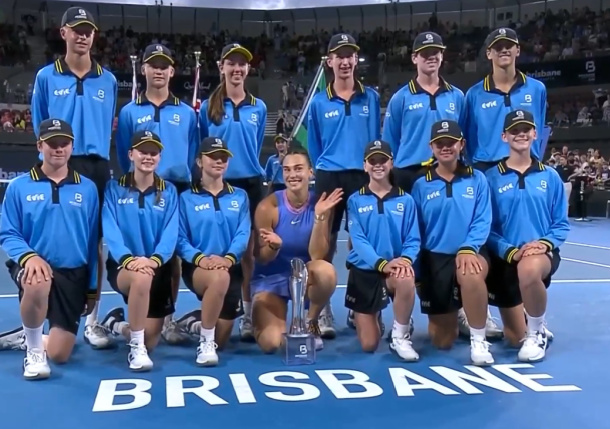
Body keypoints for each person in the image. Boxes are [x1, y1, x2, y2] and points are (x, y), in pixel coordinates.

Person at [30, 6, 117, 350]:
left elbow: (107, 123)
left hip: (95, 166)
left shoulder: (108, 80)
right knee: (53, 238)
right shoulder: (45, 77)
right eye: (76, 29)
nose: (82, 35)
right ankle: (42, 317)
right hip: (58, 162)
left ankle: (92, 322)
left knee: (94, 242)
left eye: (88, 30)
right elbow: (40, 124)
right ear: (63, 32)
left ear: (94, 36)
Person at [0, 119, 99, 380]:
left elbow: (92, 244)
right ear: (39, 146)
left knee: (60, 354)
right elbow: (8, 232)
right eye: (52, 144)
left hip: (73, 273)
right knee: (37, 279)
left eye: (63, 143)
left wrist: (91, 290)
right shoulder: (18, 187)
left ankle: (27, 334)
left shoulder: (88, 189)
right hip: (34, 265)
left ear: (72, 146)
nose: (58, 149)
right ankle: (33, 351)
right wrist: (28, 256)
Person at [115, 44, 197, 345]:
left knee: (172, 257)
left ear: (172, 71)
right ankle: (138, 314)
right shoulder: (129, 112)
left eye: (165, 66)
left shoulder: (187, 113)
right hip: (141, 188)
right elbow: (125, 155)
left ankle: (169, 318)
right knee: (141, 252)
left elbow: (193, 152)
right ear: (144, 70)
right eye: (153, 65)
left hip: (177, 188)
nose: (159, 70)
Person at [307, 33, 381, 338]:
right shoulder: (319, 102)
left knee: (361, 240)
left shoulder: (371, 98)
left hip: (362, 176)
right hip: (330, 176)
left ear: (355, 60)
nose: (346, 61)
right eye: (339, 56)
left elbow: (376, 138)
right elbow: (314, 146)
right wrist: (328, 168)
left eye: (350, 55)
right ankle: (321, 308)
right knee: (325, 238)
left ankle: (358, 304)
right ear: (330, 62)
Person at [485, 110, 569, 362]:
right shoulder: (490, 178)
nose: (520, 134)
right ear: (504, 136)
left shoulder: (550, 177)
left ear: (534, 134)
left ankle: (537, 332)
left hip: (539, 255)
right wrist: (509, 250)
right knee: (513, 338)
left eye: (525, 130)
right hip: (506, 257)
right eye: (514, 131)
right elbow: (486, 227)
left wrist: (543, 244)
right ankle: (529, 324)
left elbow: (561, 225)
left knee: (529, 269)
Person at [199, 43, 267, 342]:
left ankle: (249, 315)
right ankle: (215, 308)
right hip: (219, 185)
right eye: (231, 63)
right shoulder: (207, 107)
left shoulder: (259, 107)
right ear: (221, 67)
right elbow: (202, 147)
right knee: (219, 248)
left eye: (242, 64)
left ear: (248, 69)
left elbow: (255, 145)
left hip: (251, 183)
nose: (236, 69)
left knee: (250, 253)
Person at [411, 121, 494, 365]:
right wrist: (419, 271)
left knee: (469, 271)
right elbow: (416, 229)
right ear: (432, 147)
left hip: (470, 251)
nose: (445, 147)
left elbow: (482, 219)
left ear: (461, 145)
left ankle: (479, 340)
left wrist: (469, 247)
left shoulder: (477, 179)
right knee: (442, 341)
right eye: (440, 143)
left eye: (451, 143)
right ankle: (459, 308)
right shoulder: (420, 185)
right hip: (435, 258)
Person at [98, 131, 179, 372]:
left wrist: (154, 260)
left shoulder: (170, 191)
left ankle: (117, 325)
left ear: (159, 157)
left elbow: (170, 233)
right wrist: (128, 260)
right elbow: (110, 230)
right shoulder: (114, 189)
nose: (148, 157)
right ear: (131, 154)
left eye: (153, 153)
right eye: (143, 151)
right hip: (125, 268)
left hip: (157, 266)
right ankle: (135, 349)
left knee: (152, 339)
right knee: (141, 279)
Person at [252, 145, 340, 352]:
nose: (292, 174)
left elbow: (318, 256)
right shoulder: (268, 207)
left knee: (326, 271)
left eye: (298, 168)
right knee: (271, 344)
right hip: (271, 280)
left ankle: (309, 323)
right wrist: (274, 247)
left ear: (311, 172)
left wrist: (319, 217)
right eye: (287, 169)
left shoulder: (322, 204)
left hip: (305, 277)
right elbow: (262, 259)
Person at [176, 137, 251, 366]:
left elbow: (243, 232)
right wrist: (200, 259)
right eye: (213, 157)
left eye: (223, 158)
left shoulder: (240, 196)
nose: (219, 161)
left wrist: (228, 258)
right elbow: (180, 238)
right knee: (218, 279)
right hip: (199, 268)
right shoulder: (186, 198)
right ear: (199, 161)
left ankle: (195, 323)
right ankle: (205, 343)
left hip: (231, 266)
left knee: (224, 338)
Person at [345, 140, 420, 361]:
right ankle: (370, 313)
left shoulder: (405, 200)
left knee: (406, 277)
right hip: (365, 271)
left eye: (383, 160)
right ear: (365, 166)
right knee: (369, 345)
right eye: (373, 161)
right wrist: (381, 264)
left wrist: (405, 260)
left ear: (391, 163)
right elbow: (358, 240)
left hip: (394, 269)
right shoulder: (355, 200)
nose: (378, 165)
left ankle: (400, 334)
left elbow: (413, 238)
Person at [382, 32, 464, 193]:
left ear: (442, 56)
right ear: (414, 58)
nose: (431, 57)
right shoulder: (400, 98)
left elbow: (463, 136)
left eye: (435, 52)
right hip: (408, 172)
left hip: (446, 170)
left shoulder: (457, 96)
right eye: (425, 53)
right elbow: (390, 141)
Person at [464, 27, 547, 170]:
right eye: (498, 47)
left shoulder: (537, 89)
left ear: (518, 50)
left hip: (527, 166)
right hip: (487, 167)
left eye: (508, 46)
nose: (504, 50)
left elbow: (540, 126)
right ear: (489, 53)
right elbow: (469, 136)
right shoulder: (474, 94)